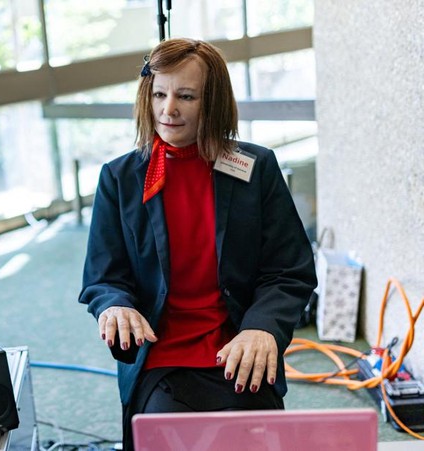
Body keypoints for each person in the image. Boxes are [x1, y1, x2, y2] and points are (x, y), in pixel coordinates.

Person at [78, 38, 316, 450]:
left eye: (185, 96)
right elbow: (103, 277)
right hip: (162, 357)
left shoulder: (256, 169)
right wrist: (113, 304)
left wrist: (262, 328)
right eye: (159, 94)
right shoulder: (119, 178)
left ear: (214, 102)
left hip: (238, 348)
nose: (168, 109)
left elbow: (289, 270)